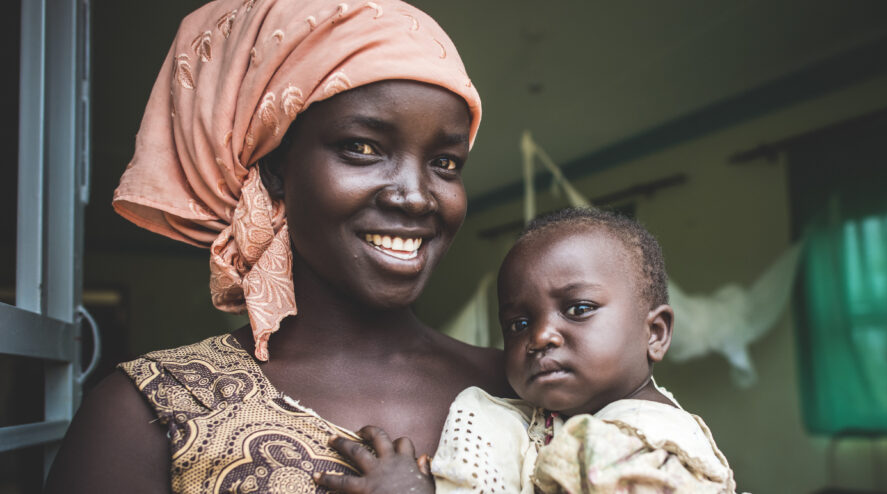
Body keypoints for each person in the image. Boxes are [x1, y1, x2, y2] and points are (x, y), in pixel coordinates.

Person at [43, 1, 511, 492]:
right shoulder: (153, 411)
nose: (415, 197)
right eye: (363, 147)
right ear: (273, 167)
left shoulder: (528, 389)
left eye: (446, 162)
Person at [315, 208, 738, 494]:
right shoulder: (567, 425)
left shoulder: (642, 448)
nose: (540, 337)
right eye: (518, 324)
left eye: (578, 309)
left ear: (656, 333)